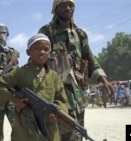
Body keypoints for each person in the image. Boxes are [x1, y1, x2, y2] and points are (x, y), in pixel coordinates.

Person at [38, 0, 115, 140]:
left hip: (77, 96)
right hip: (55, 97)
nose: (68, 8)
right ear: (55, 8)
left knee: (78, 134)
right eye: (63, 5)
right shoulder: (46, 32)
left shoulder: (80, 35)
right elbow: (37, 61)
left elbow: (90, 59)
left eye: (71, 5)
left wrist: (104, 80)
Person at [0, 33, 68, 141]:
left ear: (49, 53)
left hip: (49, 128)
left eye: (46, 49)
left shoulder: (54, 76)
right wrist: (14, 100)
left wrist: (57, 113)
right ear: (28, 52)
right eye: (37, 48)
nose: (42, 52)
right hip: (25, 130)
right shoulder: (20, 72)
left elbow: (61, 99)